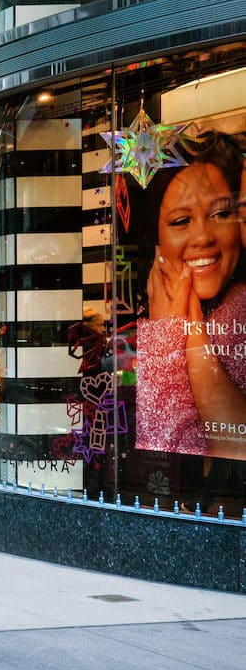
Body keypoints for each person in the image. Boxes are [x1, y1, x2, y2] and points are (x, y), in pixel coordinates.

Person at [136, 147, 246, 458]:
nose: (203, 237)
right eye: (182, 220)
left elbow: (236, 452)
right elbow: (160, 451)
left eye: (221, 214)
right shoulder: (148, 317)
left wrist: (190, 326)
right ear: (154, 239)